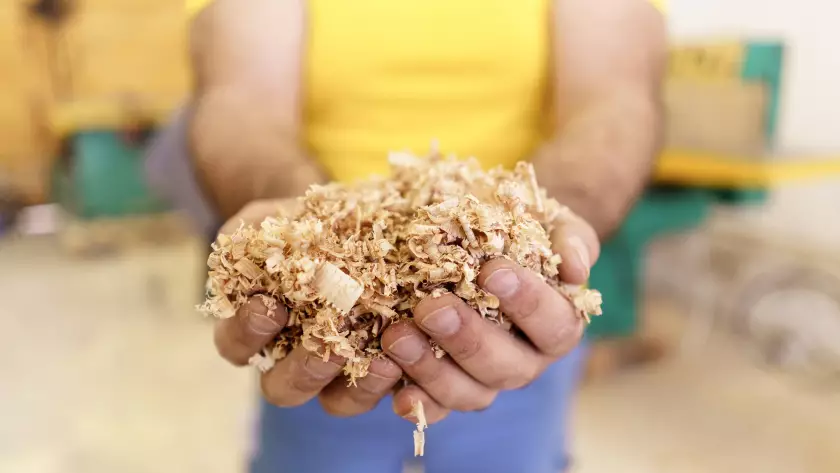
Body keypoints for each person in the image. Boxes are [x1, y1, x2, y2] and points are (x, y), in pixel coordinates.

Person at [146, 0, 667, 471]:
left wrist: (540, 230)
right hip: (320, 345)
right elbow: (242, 100)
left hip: (516, 320)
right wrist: (306, 226)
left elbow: (613, 98)